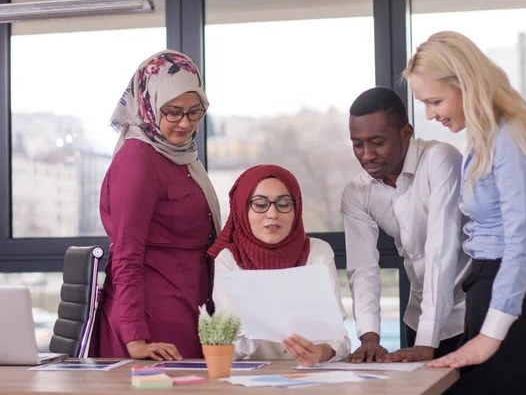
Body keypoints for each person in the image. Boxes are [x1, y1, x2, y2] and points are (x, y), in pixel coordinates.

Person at [404, 31, 526, 394]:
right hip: (496, 292)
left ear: (465, 83)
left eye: (435, 101)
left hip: (525, 303)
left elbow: (521, 241)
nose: (430, 114)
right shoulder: (484, 138)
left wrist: (489, 336)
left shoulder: (512, 135)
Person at [91, 50, 222, 361]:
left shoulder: (182, 156)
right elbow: (126, 253)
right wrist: (135, 338)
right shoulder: (139, 161)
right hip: (153, 325)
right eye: (173, 112)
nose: (185, 124)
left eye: (195, 113)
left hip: (188, 311)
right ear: (149, 105)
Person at [342, 87, 470, 364]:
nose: (366, 155)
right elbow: (363, 269)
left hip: (470, 317)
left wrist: (427, 341)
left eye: (377, 142)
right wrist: (370, 337)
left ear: (406, 133)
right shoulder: (357, 193)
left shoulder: (440, 159)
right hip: (418, 318)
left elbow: (441, 251)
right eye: (357, 144)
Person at [208, 165, 351, 367]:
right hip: (250, 381)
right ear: (242, 208)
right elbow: (225, 346)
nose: (273, 214)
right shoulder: (229, 258)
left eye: (283, 204)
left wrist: (320, 353)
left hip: (311, 378)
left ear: (297, 208)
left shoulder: (318, 253)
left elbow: (339, 338)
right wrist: (253, 330)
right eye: (260, 204)